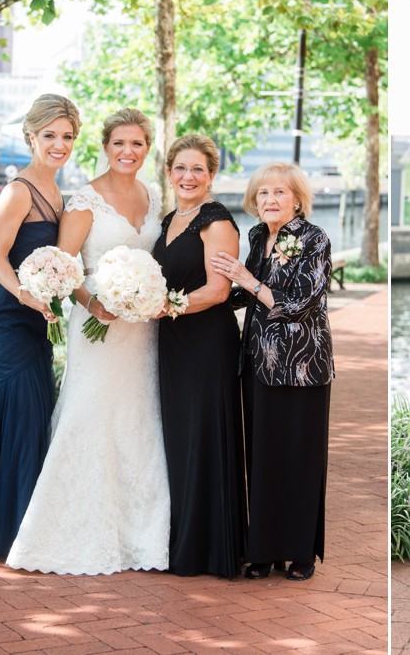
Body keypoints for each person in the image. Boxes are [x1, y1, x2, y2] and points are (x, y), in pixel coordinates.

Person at [6, 108, 169, 574]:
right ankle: (71, 529)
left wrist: (148, 295)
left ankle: (142, 535)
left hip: (141, 328)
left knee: (139, 417)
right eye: (119, 143)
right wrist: (95, 302)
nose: (127, 151)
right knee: (91, 413)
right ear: (105, 146)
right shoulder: (84, 200)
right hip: (97, 326)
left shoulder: (154, 195)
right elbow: (66, 266)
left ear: (147, 148)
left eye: (137, 143)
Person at [0, 94, 81, 558]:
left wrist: (56, 294)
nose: (59, 144)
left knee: (31, 415)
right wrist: (28, 294)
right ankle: (5, 531)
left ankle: (28, 526)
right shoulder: (18, 191)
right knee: (19, 414)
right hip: (8, 318)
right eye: (50, 135)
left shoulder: (59, 192)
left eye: (67, 136)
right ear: (31, 136)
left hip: (38, 318)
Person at [211, 161, 334, 582]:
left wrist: (246, 279)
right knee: (261, 457)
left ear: (297, 198)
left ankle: (300, 553)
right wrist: (201, 297)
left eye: (280, 192)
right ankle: (263, 551)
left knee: (297, 458)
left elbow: (302, 303)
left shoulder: (315, 239)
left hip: (301, 365)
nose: (270, 200)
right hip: (259, 363)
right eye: (263, 193)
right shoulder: (259, 235)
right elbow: (245, 295)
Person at [153, 134, 246, 578]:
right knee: (179, 438)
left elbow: (217, 290)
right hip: (172, 342)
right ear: (169, 172)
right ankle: (179, 537)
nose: (188, 177)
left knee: (203, 437)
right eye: (180, 169)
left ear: (211, 176)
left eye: (198, 170)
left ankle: (206, 547)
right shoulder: (170, 217)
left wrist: (165, 306)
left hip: (207, 342)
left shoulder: (217, 221)